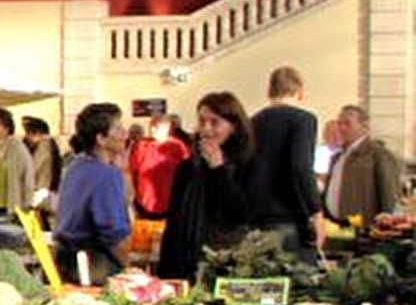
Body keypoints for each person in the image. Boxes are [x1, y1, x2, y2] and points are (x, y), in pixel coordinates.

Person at [158, 92, 253, 281]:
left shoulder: (247, 163)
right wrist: (165, 272)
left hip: (228, 261)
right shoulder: (188, 167)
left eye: (215, 122)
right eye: (202, 122)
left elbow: (240, 213)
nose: (207, 129)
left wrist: (218, 169)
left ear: (233, 126)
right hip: (187, 261)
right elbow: (175, 221)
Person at [242, 65, 324, 263]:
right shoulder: (303, 120)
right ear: (300, 92)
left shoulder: (252, 122)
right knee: (298, 284)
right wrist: (316, 211)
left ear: (269, 92)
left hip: (256, 217)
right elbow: (300, 167)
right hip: (290, 217)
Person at [53, 102, 131, 284]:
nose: (124, 134)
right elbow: (113, 232)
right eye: (118, 128)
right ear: (101, 139)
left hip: (65, 259)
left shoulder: (76, 166)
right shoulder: (105, 174)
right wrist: (128, 267)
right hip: (93, 264)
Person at [324, 104, 402, 224]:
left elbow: (389, 195)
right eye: (339, 123)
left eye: (347, 123)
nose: (341, 128)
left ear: (364, 126)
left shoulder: (378, 154)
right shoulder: (337, 157)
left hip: (364, 227)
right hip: (335, 224)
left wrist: (387, 221)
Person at [128, 114, 191, 219]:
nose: (153, 130)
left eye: (158, 126)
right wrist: (134, 199)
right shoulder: (141, 146)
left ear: (168, 128)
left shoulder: (178, 146)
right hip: (145, 203)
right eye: (152, 126)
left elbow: (188, 173)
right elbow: (132, 172)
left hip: (172, 204)